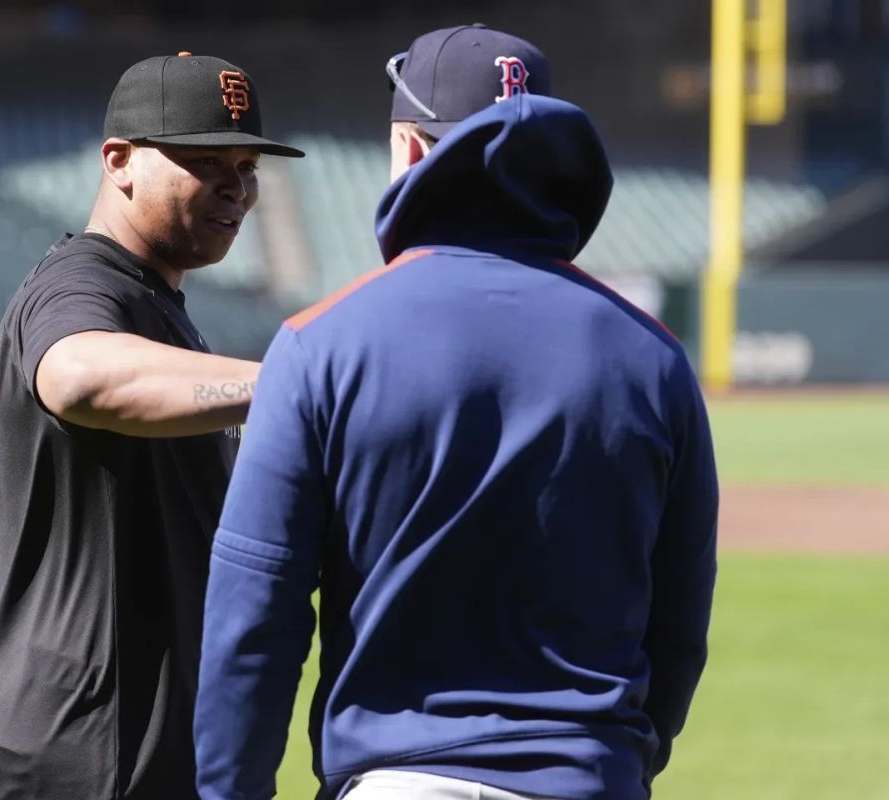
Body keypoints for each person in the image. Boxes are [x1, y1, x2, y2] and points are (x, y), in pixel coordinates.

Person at [193, 25, 718, 800]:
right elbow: (676, 627)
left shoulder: (320, 344)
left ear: (410, 150)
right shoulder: (655, 359)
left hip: (393, 778)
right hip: (587, 777)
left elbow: (255, 619)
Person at [0, 52, 303, 800]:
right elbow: (79, 374)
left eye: (247, 165)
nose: (236, 187)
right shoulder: (82, 283)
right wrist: (298, 385)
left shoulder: (158, 304)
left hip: (129, 748)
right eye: (205, 161)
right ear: (119, 161)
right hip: (81, 759)